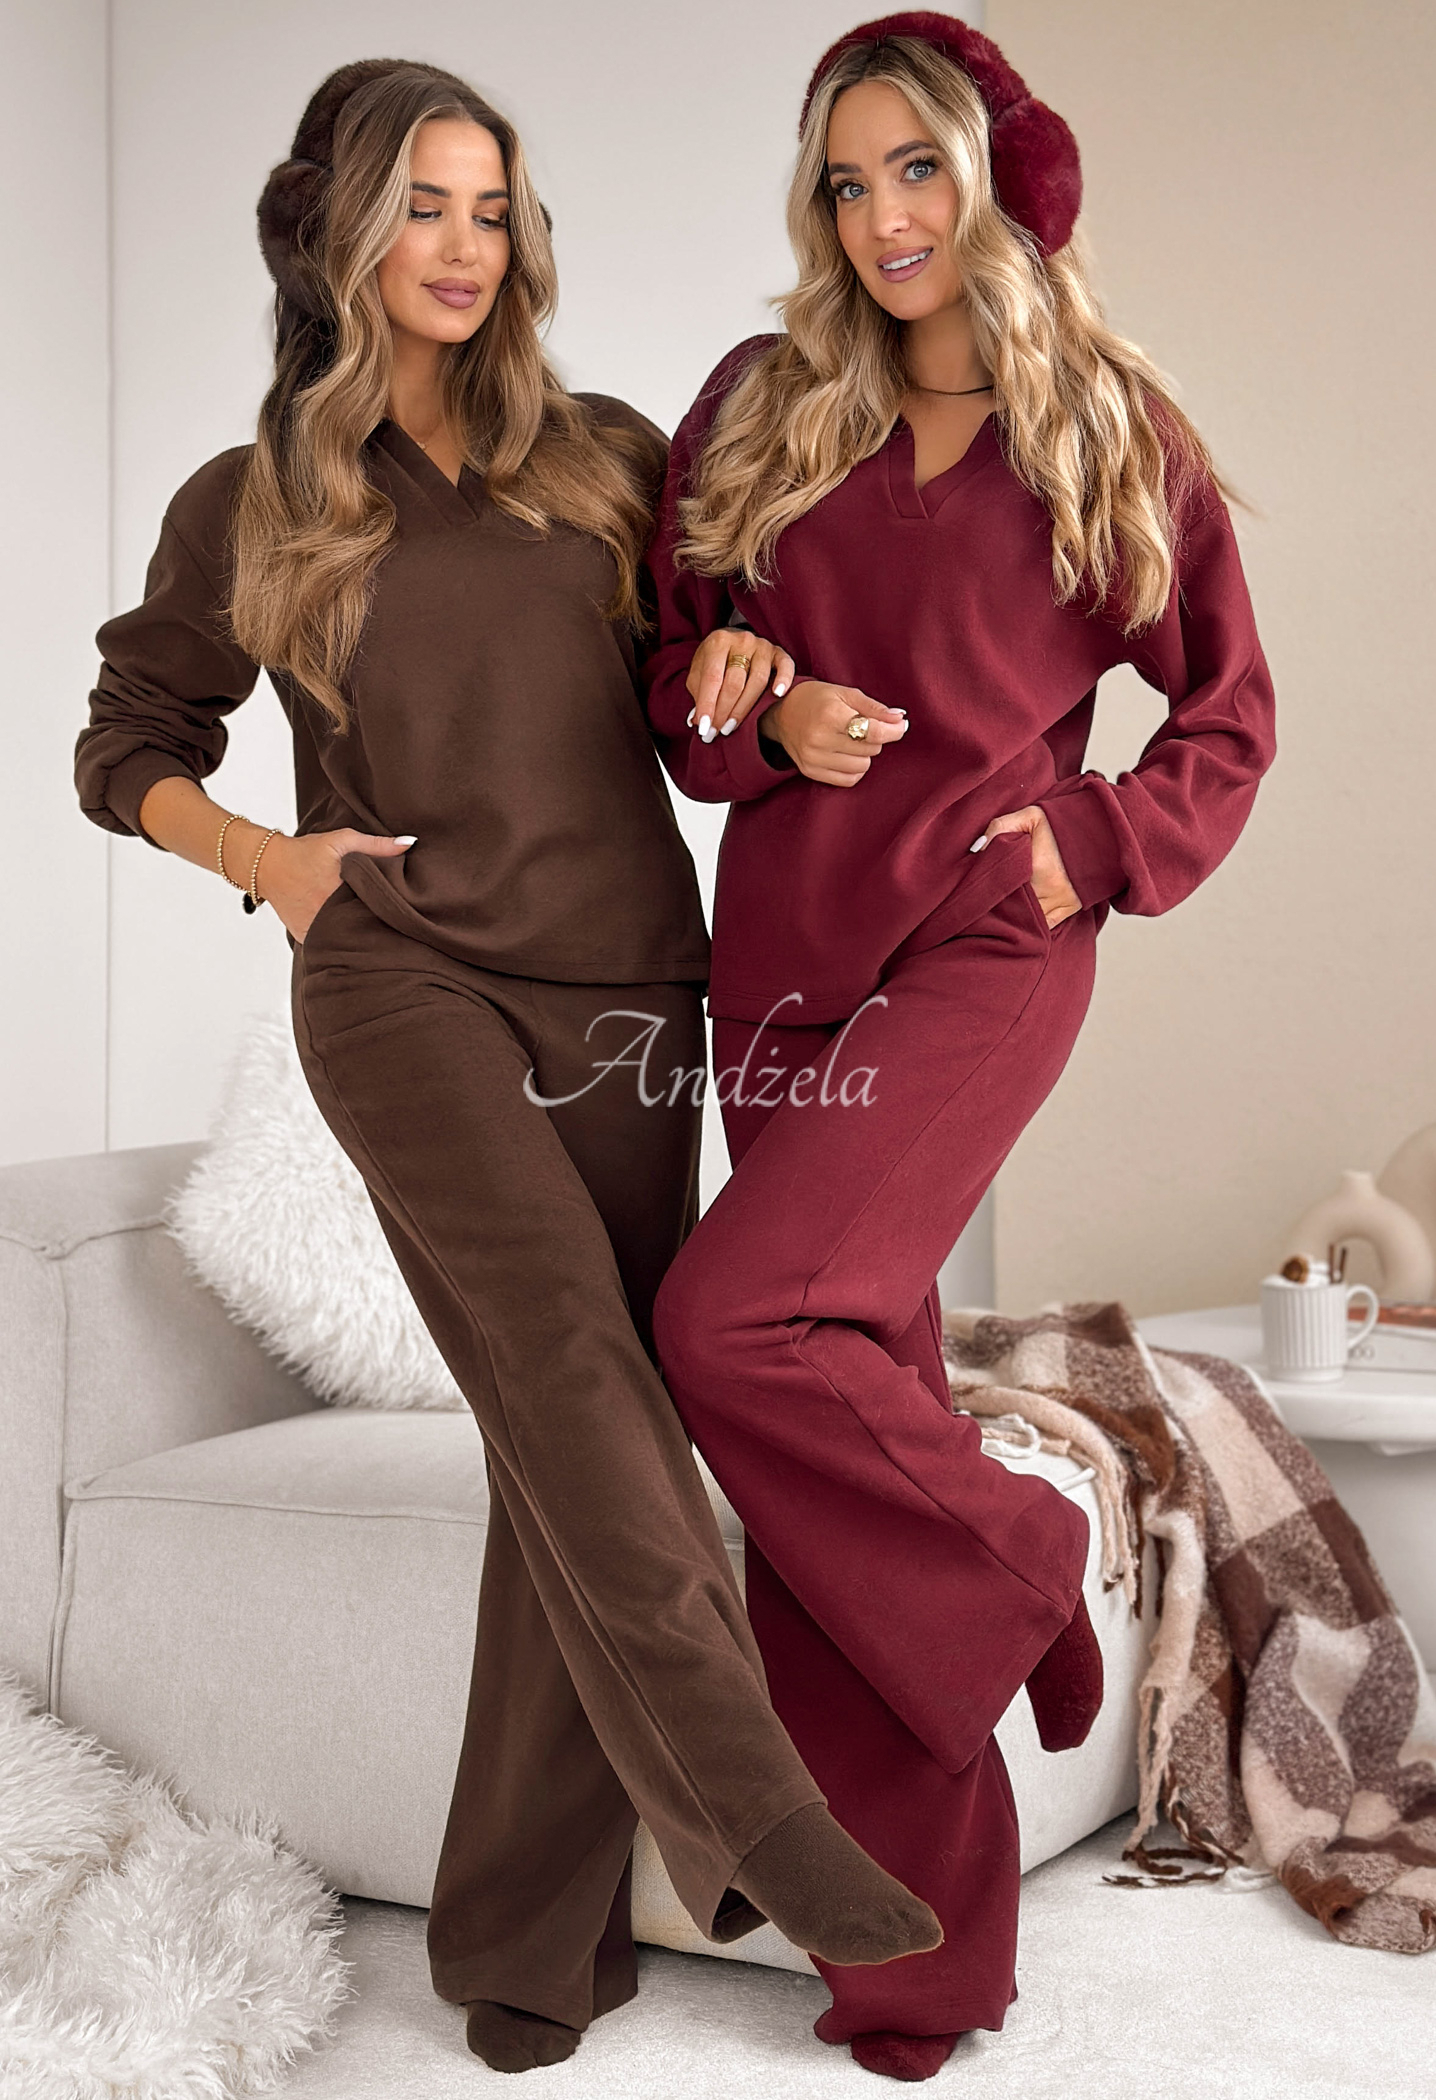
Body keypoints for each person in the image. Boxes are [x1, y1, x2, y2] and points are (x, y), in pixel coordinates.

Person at [74, 56, 944, 2078]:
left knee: (578, 1440)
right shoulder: (255, 499)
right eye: (422, 207)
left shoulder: (612, 459)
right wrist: (271, 861)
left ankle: (527, 1949)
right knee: (566, 1368)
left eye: (490, 208)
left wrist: (753, 687)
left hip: (628, 991)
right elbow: (125, 745)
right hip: (402, 985)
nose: (462, 247)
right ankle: (760, 1813)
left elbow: (694, 707)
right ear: (341, 232)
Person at [646, 13, 1276, 2082]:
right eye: (846, 182)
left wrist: (1096, 841)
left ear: (997, 177)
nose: (883, 217)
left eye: (914, 167)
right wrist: (760, 714)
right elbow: (676, 682)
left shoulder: (1104, 423)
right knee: (840, 1416)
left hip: (984, 947)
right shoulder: (760, 404)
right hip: (779, 965)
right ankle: (915, 1963)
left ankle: (1021, 1559)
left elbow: (1226, 715)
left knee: (734, 1325)